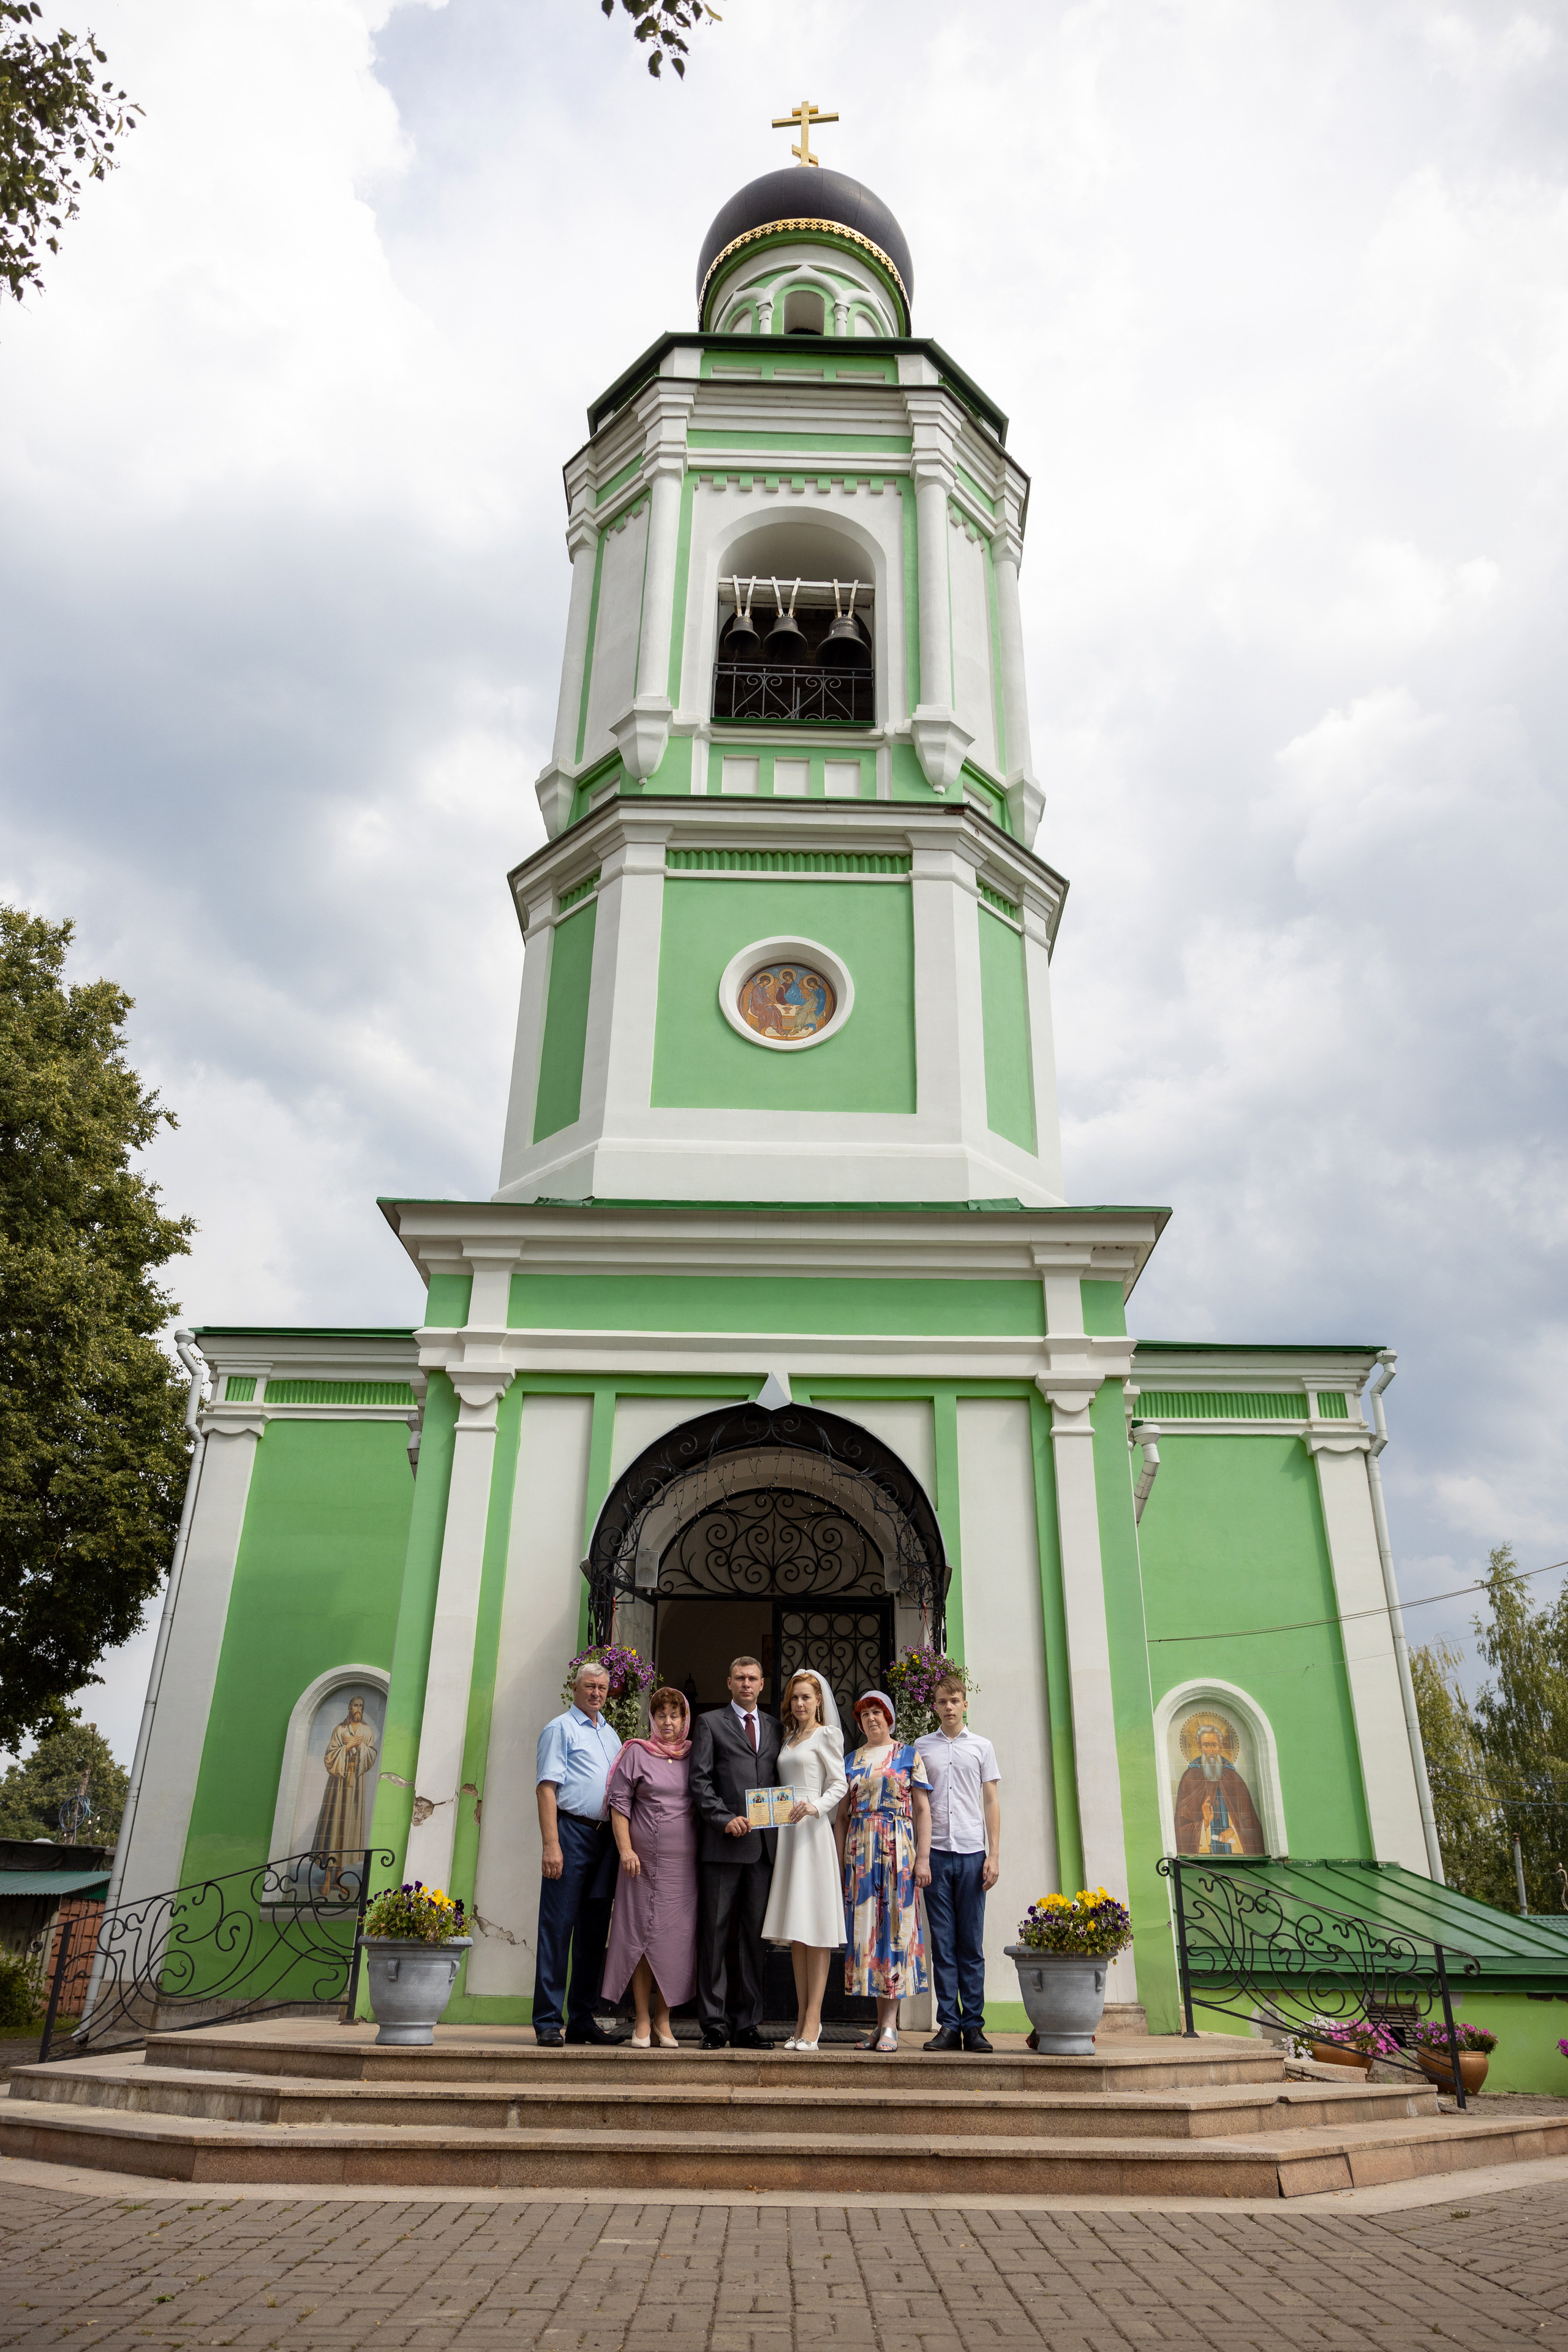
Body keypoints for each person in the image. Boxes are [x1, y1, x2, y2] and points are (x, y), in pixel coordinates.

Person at [689, 1654, 783, 2049]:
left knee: (753, 1938)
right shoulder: (710, 1723)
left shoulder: (777, 1727)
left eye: (753, 1678)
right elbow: (700, 1780)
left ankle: (748, 2024)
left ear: (762, 1684)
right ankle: (714, 2024)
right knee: (714, 1935)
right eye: (740, 1678)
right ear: (729, 1683)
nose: (746, 1684)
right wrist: (723, 1818)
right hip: (723, 1845)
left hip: (763, 1849)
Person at [533, 1660, 625, 2046]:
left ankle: (583, 2020)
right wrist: (551, 1844)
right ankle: (548, 2021)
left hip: (605, 1842)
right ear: (575, 1688)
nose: (596, 1693)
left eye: (602, 1688)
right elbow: (546, 1788)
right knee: (557, 1929)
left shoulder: (611, 1734)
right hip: (570, 1834)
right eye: (590, 1686)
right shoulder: (560, 1729)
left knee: (592, 1934)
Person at [601, 1687, 698, 2048]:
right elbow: (619, 1804)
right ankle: (642, 2019)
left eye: (674, 1715)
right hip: (639, 1867)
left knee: (675, 1942)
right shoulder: (637, 1753)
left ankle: (663, 2019)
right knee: (639, 1939)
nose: (668, 1722)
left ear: (684, 1719)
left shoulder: (694, 1754)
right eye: (661, 1715)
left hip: (683, 1868)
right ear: (652, 1719)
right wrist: (625, 1849)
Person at [836, 1689, 932, 2053]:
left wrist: (923, 1859)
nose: (871, 1719)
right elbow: (841, 1817)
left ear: (889, 1717)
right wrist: (840, 1863)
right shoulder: (850, 1760)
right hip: (860, 1855)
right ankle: (880, 2025)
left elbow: (922, 1810)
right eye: (865, 1714)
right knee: (869, 1937)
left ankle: (890, 2024)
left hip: (898, 1853)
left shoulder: (908, 1755)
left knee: (895, 1932)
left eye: (877, 1712)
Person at [760, 1669, 847, 2052]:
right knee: (797, 1930)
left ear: (818, 1701)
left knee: (817, 1928)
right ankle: (800, 2018)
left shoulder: (827, 1735)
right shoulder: (787, 1737)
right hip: (788, 1834)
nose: (799, 1703)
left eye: (806, 1698)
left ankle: (814, 2018)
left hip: (813, 1833)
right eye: (795, 1697)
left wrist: (816, 1806)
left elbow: (840, 1783)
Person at [914, 1674, 1001, 2053]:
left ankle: (974, 2027)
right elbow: (917, 1803)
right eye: (942, 1701)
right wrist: (920, 1856)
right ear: (935, 1706)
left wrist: (994, 1854)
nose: (949, 1707)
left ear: (965, 1704)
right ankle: (949, 2025)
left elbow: (991, 1801)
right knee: (944, 1944)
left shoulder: (982, 1746)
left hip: (972, 1854)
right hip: (934, 1854)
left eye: (955, 1701)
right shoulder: (921, 1747)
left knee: (971, 1944)